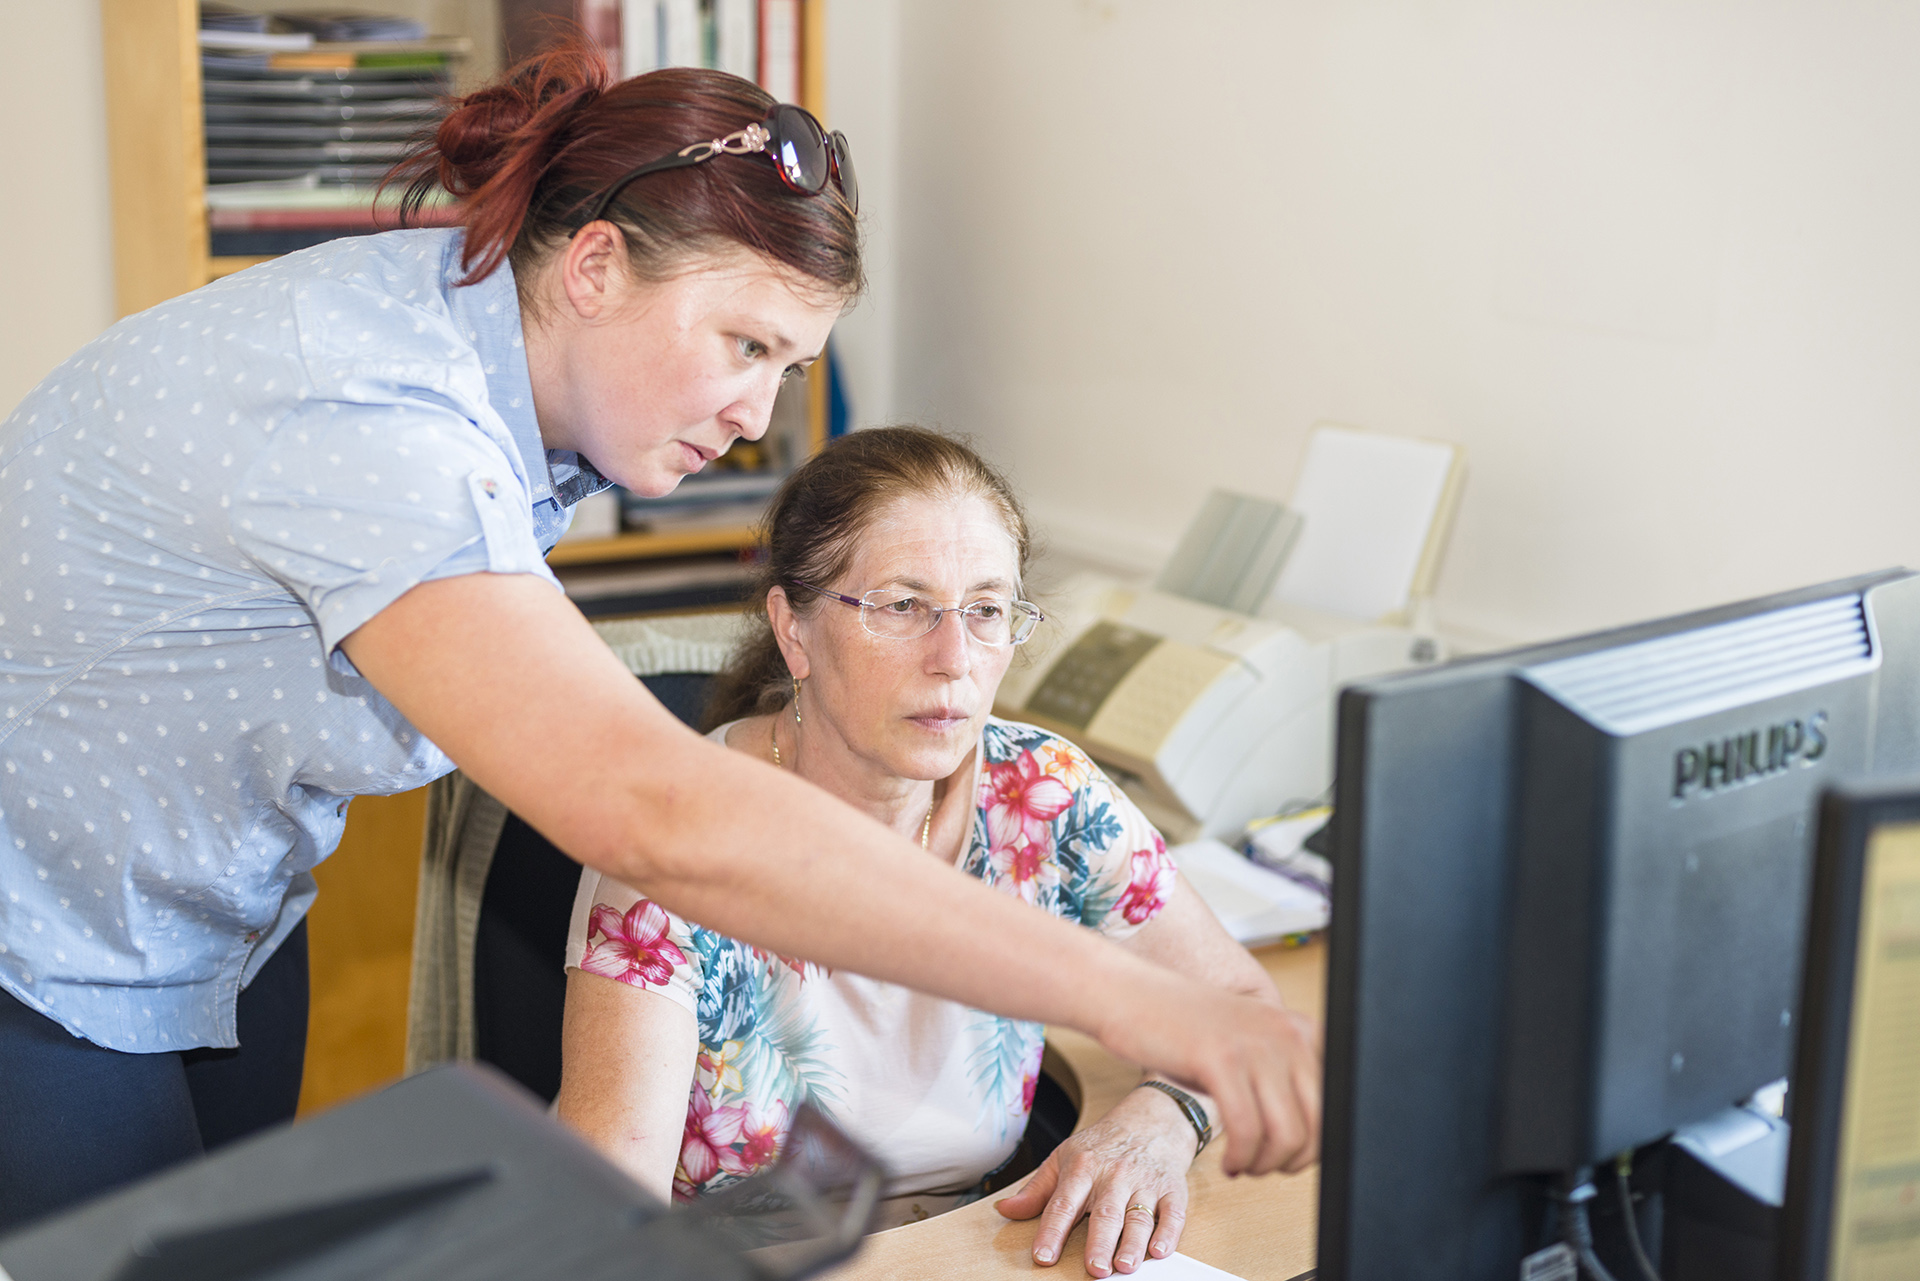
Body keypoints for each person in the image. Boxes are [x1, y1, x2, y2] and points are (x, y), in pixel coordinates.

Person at [0, 45, 1319, 1232]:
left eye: (785, 369)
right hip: (38, 931)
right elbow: (656, 814)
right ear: (594, 266)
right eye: (742, 344)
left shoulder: (479, 341)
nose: (754, 417)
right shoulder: (374, 422)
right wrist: (1138, 1003)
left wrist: (1161, 1073)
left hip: (208, 903)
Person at [556, 427, 1317, 1277]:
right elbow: (602, 1223)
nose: (954, 660)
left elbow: (1240, 1004)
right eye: (900, 605)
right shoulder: (675, 847)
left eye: (987, 610)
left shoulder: (1039, 793)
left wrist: (1163, 1116)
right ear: (794, 629)